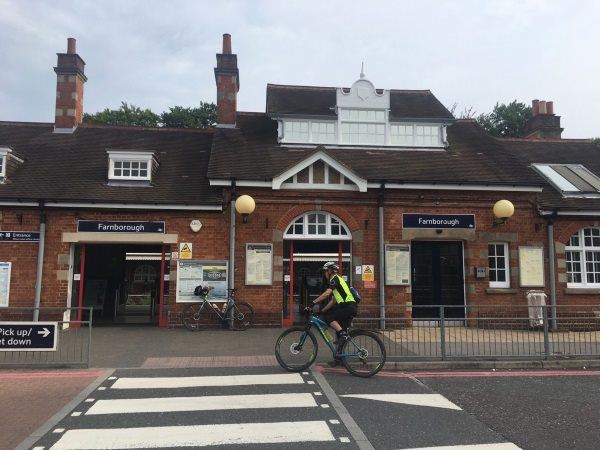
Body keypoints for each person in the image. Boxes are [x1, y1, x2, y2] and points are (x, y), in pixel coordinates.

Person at [311, 262, 357, 364]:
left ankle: (343, 334)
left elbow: (327, 293)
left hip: (348, 307)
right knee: (339, 333)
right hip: (347, 307)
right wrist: (321, 311)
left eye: (325, 271)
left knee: (329, 318)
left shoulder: (335, 279)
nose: (324, 274)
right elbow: (333, 301)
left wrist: (313, 302)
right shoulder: (337, 281)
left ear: (330, 271)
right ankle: (339, 359)